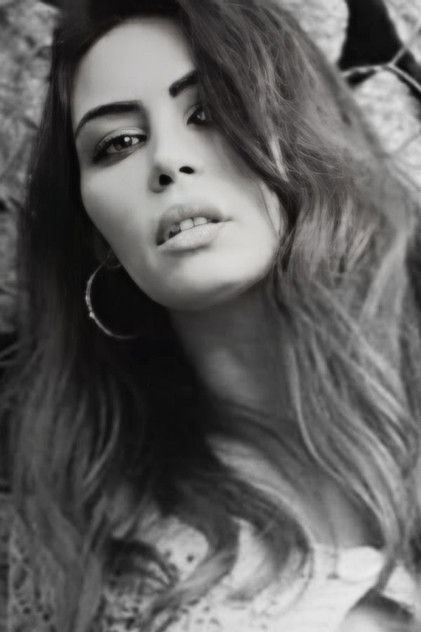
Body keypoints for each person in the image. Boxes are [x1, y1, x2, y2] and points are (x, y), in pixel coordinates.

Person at [2, 0, 421, 630]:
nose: (167, 161)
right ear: (95, 236)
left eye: (208, 112)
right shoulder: (85, 543)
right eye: (118, 144)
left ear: (303, 131)